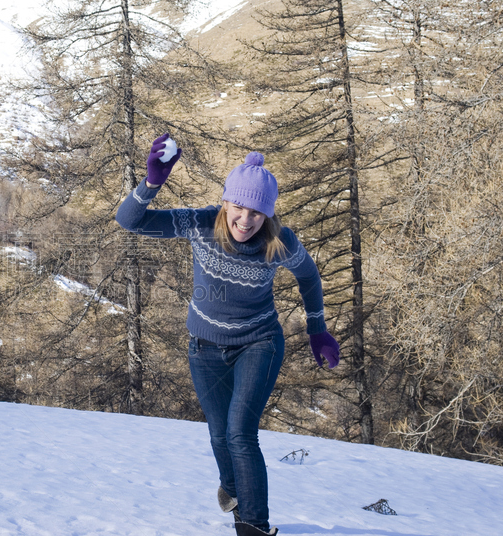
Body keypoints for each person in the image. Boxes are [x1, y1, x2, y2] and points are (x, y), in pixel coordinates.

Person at [115, 133, 340, 536]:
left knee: (240, 433)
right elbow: (129, 221)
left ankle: (253, 526)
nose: (245, 219)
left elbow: (308, 275)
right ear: (225, 202)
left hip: (259, 343)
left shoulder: (278, 242)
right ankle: (234, 489)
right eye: (238, 206)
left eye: (257, 211)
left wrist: (317, 329)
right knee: (220, 435)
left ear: (267, 215)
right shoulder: (201, 223)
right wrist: (151, 185)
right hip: (204, 348)